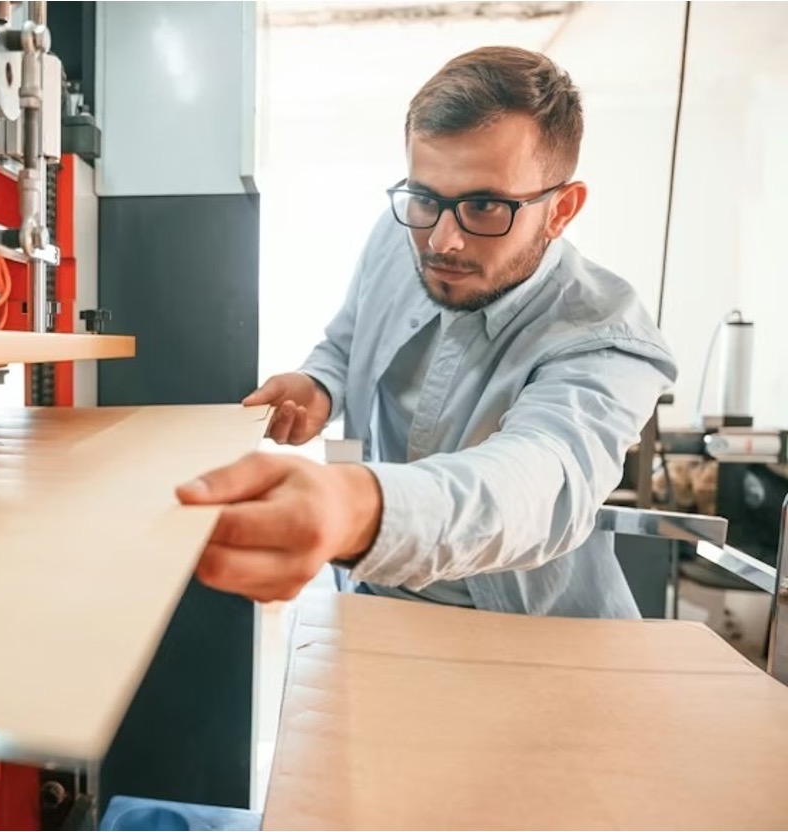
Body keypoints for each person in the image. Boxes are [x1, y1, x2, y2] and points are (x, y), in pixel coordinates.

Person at [175, 46, 677, 619]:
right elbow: (346, 341)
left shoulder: (608, 337)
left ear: (561, 210)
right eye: (424, 197)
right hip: (374, 603)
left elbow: (538, 484)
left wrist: (354, 508)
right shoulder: (399, 236)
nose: (441, 241)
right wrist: (319, 385)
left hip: (526, 637)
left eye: (484, 206)